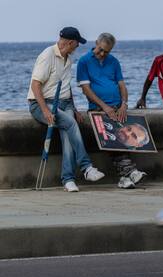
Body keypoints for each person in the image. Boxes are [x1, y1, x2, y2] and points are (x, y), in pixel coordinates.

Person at [27, 27, 105, 192]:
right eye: (77, 44)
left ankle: (68, 179)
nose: (77, 47)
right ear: (70, 42)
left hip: (64, 103)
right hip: (42, 103)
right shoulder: (47, 55)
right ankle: (86, 167)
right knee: (70, 124)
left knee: (68, 136)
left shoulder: (67, 59)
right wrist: (46, 111)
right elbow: (35, 85)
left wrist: (74, 107)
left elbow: (65, 87)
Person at [77, 33, 145, 189]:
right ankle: (131, 172)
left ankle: (125, 177)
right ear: (96, 43)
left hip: (116, 107)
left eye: (106, 52)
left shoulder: (113, 61)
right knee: (114, 137)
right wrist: (105, 107)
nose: (102, 54)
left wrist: (124, 104)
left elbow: (121, 85)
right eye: (100, 50)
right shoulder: (84, 61)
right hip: (98, 109)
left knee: (124, 139)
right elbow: (86, 90)